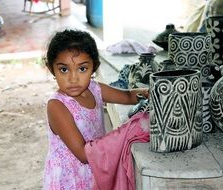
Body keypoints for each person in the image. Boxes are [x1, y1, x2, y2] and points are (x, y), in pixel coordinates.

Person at [42, 29, 148, 190]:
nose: (73, 78)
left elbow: (127, 97)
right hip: (69, 180)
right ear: (51, 69)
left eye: (82, 69)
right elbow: (83, 155)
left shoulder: (95, 89)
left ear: (93, 68)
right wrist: (124, 133)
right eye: (64, 69)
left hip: (93, 171)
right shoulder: (57, 106)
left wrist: (151, 92)